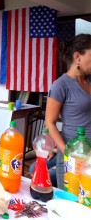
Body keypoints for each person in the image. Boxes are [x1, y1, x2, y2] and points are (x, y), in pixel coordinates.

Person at [45, 34, 91, 190]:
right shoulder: (61, 85)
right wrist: (66, 152)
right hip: (74, 155)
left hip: (90, 155)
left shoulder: (89, 80)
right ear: (77, 56)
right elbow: (50, 122)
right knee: (72, 200)